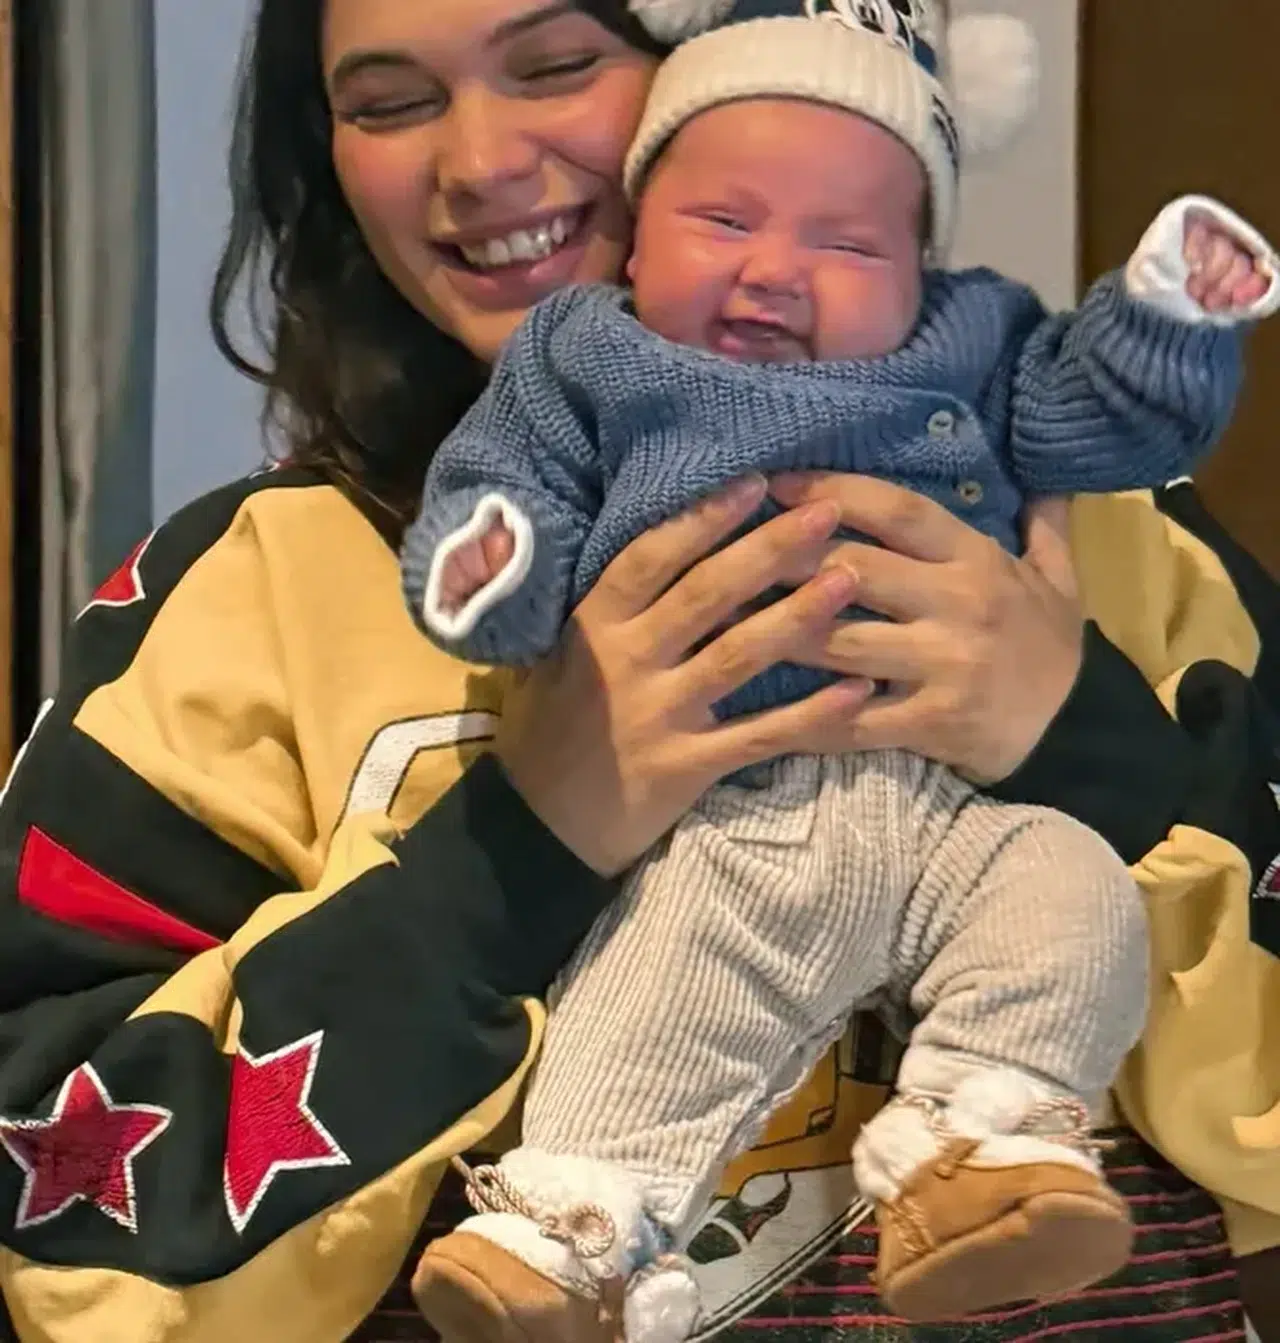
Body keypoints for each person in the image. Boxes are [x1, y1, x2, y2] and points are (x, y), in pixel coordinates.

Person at [0, 2, 1275, 1341]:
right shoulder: (249, 591)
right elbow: (63, 1211)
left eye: (557, 66)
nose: (478, 162)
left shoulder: (1097, 544)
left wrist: (1082, 742)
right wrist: (517, 846)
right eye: (389, 104)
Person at [396, 2, 1278, 1336]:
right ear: (636, 233)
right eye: (723, 221)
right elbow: (507, 485)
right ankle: (571, 1232)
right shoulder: (586, 353)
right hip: (729, 810)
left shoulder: (981, 343)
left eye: (848, 243)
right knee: (663, 998)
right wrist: (492, 567)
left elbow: (1103, 419)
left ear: (924, 269)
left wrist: (1169, 313)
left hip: (954, 804)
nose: (776, 272)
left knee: (1072, 897)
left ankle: (978, 1145)